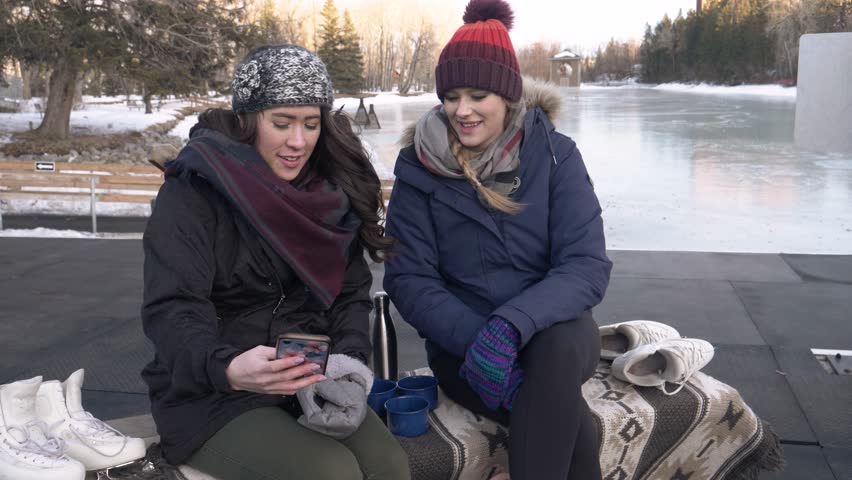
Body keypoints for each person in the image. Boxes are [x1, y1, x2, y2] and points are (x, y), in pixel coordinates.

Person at [141, 44, 410, 480]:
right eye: (281, 123)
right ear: (249, 120)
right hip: (211, 393)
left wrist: (349, 366)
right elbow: (172, 308)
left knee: (389, 466)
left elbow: (349, 294)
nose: (298, 142)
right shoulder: (194, 191)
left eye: (310, 124)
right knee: (330, 473)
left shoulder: (328, 189)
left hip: (308, 378)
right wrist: (227, 368)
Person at [382, 1, 612, 478]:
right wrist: (478, 339)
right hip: (463, 351)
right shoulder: (419, 168)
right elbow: (409, 279)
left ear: (508, 95)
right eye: (451, 96)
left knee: (558, 347)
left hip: (555, 336)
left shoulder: (554, 157)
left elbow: (585, 265)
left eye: (477, 95)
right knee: (576, 430)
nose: (461, 111)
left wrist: (509, 326)